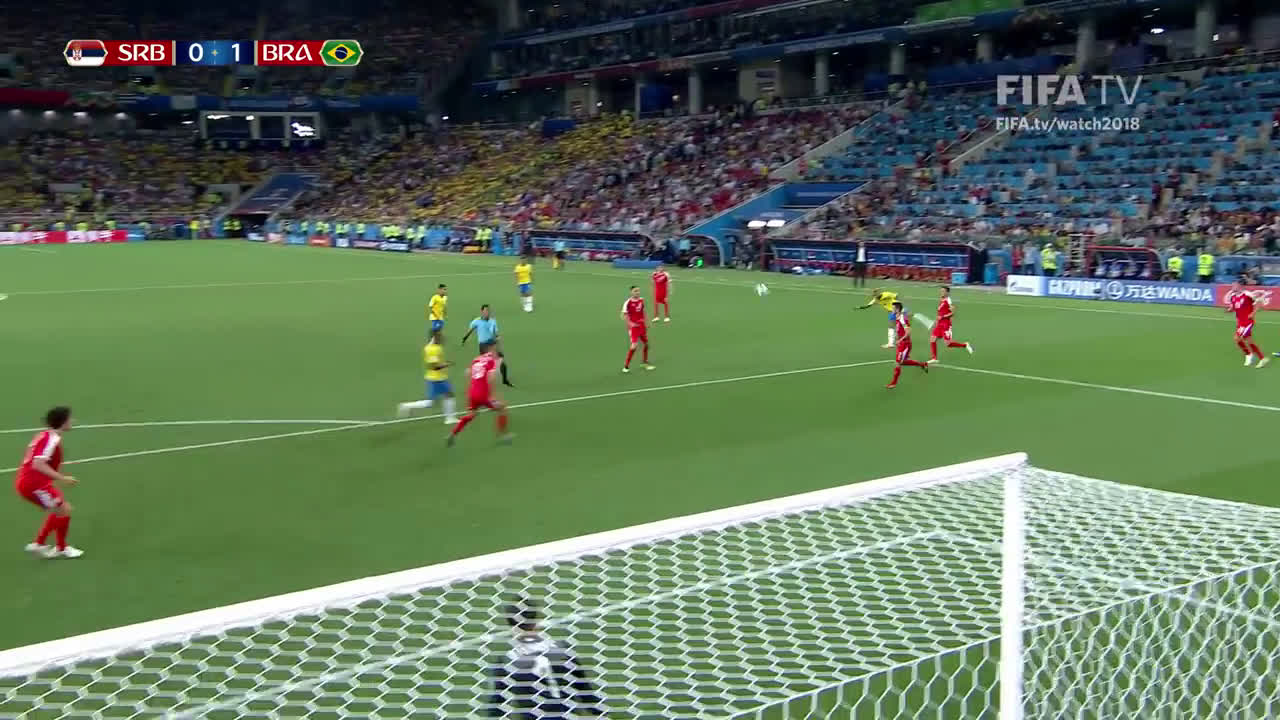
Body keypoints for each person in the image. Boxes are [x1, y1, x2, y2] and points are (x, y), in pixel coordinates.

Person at [485, 598, 604, 718]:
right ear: (536, 620)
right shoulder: (562, 648)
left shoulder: (508, 661)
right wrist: (599, 710)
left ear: (510, 624)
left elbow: (497, 704)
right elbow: (584, 689)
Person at [15, 406, 83, 559]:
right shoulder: (51, 439)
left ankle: (41, 544)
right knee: (64, 509)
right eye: (70, 419)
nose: (72, 421)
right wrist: (62, 478)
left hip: (32, 482)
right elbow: (38, 464)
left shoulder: (45, 435)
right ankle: (59, 547)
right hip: (34, 484)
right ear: (63, 422)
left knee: (60, 509)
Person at [447, 342, 513, 446]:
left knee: (471, 415)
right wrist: (493, 396)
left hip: (472, 393)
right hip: (483, 394)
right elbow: (491, 378)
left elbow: (467, 373)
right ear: (488, 350)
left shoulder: (475, 360)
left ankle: (453, 434)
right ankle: (503, 435)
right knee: (502, 408)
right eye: (493, 349)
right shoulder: (490, 360)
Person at [396, 330, 459, 424]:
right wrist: (447, 364)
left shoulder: (434, 347)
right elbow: (433, 366)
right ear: (434, 337)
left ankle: (449, 418)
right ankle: (449, 418)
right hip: (436, 378)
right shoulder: (432, 349)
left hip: (436, 377)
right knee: (439, 399)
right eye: (440, 336)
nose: (442, 338)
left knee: (442, 398)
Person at [461, 305, 515, 387]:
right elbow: (470, 330)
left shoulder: (492, 321)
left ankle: (505, 380)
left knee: (502, 364)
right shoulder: (476, 321)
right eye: (485, 311)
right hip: (483, 346)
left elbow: (495, 332)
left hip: (492, 344)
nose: (487, 312)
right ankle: (481, 382)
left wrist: (497, 338)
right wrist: (464, 338)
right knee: (485, 365)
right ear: (482, 311)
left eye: (488, 311)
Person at [1227, 281, 1269, 368]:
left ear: (1239, 286)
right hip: (1240, 322)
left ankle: (1249, 354)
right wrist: (1230, 310)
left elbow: (1259, 302)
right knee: (1249, 341)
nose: (1232, 287)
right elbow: (1234, 307)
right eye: (1232, 285)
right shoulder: (1233, 297)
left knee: (1237, 338)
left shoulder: (1247, 294)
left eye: (1234, 285)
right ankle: (1261, 358)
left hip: (1248, 321)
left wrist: (1253, 313)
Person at [887, 302, 929, 389]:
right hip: (901, 344)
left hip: (905, 344)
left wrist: (900, 340)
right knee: (902, 362)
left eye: (893, 308)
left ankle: (893, 383)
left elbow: (908, 332)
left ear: (897, 309)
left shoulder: (902, 318)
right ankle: (922, 364)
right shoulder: (898, 318)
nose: (891, 309)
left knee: (898, 363)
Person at [928, 286, 974, 363]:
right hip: (939, 324)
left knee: (948, 344)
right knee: (932, 339)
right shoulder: (942, 300)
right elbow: (941, 312)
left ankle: (965, 345)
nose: (941, 292)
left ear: (947, 292)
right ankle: (934, 358)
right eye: (941, 291)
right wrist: (937, 319)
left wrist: (942, 317)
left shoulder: (948, 300)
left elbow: (953, 313)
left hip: (946, 325)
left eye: (943, 291)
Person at [621, 286, 654, 373]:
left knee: (646, 344)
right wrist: (630, 323)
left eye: (638, 291)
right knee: (634, 346)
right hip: (634, 328)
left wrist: (647, 321)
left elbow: (643, 311)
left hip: (641, 325)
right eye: (635, 291)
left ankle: (644, 362)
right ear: (631, 292)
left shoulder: (641, 300)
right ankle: (626, 366)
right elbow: (623, 315)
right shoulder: (628, 302)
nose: (637, 292)